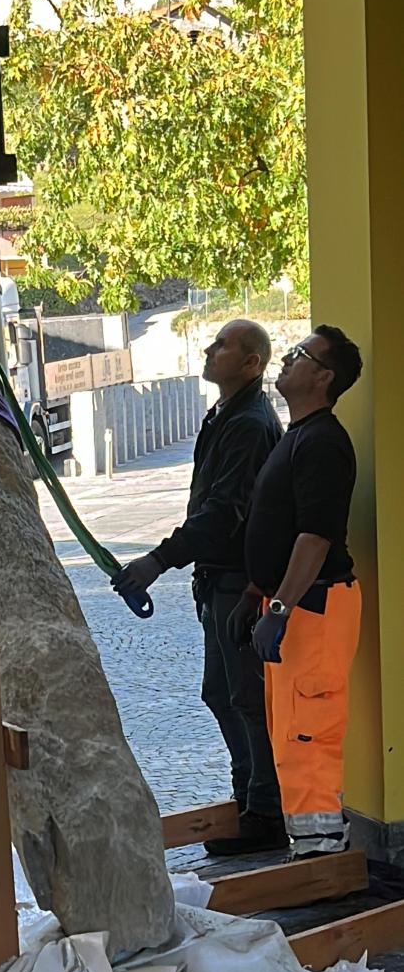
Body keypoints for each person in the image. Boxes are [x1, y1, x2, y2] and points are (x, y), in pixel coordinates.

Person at [114, 319, 286, 854]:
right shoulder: (227, 415)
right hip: (220, 580)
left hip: (238, 583)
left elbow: (223, 512)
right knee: (221, 694)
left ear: (252, 363)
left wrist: (158, 560)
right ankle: (249, 799)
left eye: (223, 345)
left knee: (247, 699)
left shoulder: (249, 424)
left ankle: (264, 811)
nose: (210, 350)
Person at [229, 325, 363, 859]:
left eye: (300, 354)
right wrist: (257, 594)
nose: (286, 359)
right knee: (290, 733)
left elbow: (315, 537)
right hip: (293, 604)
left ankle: (322, 857)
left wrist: (279, 608)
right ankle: (311, 850)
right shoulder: (298, 436)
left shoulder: (324, 442)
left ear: (323, 376)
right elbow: (282, 529)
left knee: (309, 734)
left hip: (314, 606)